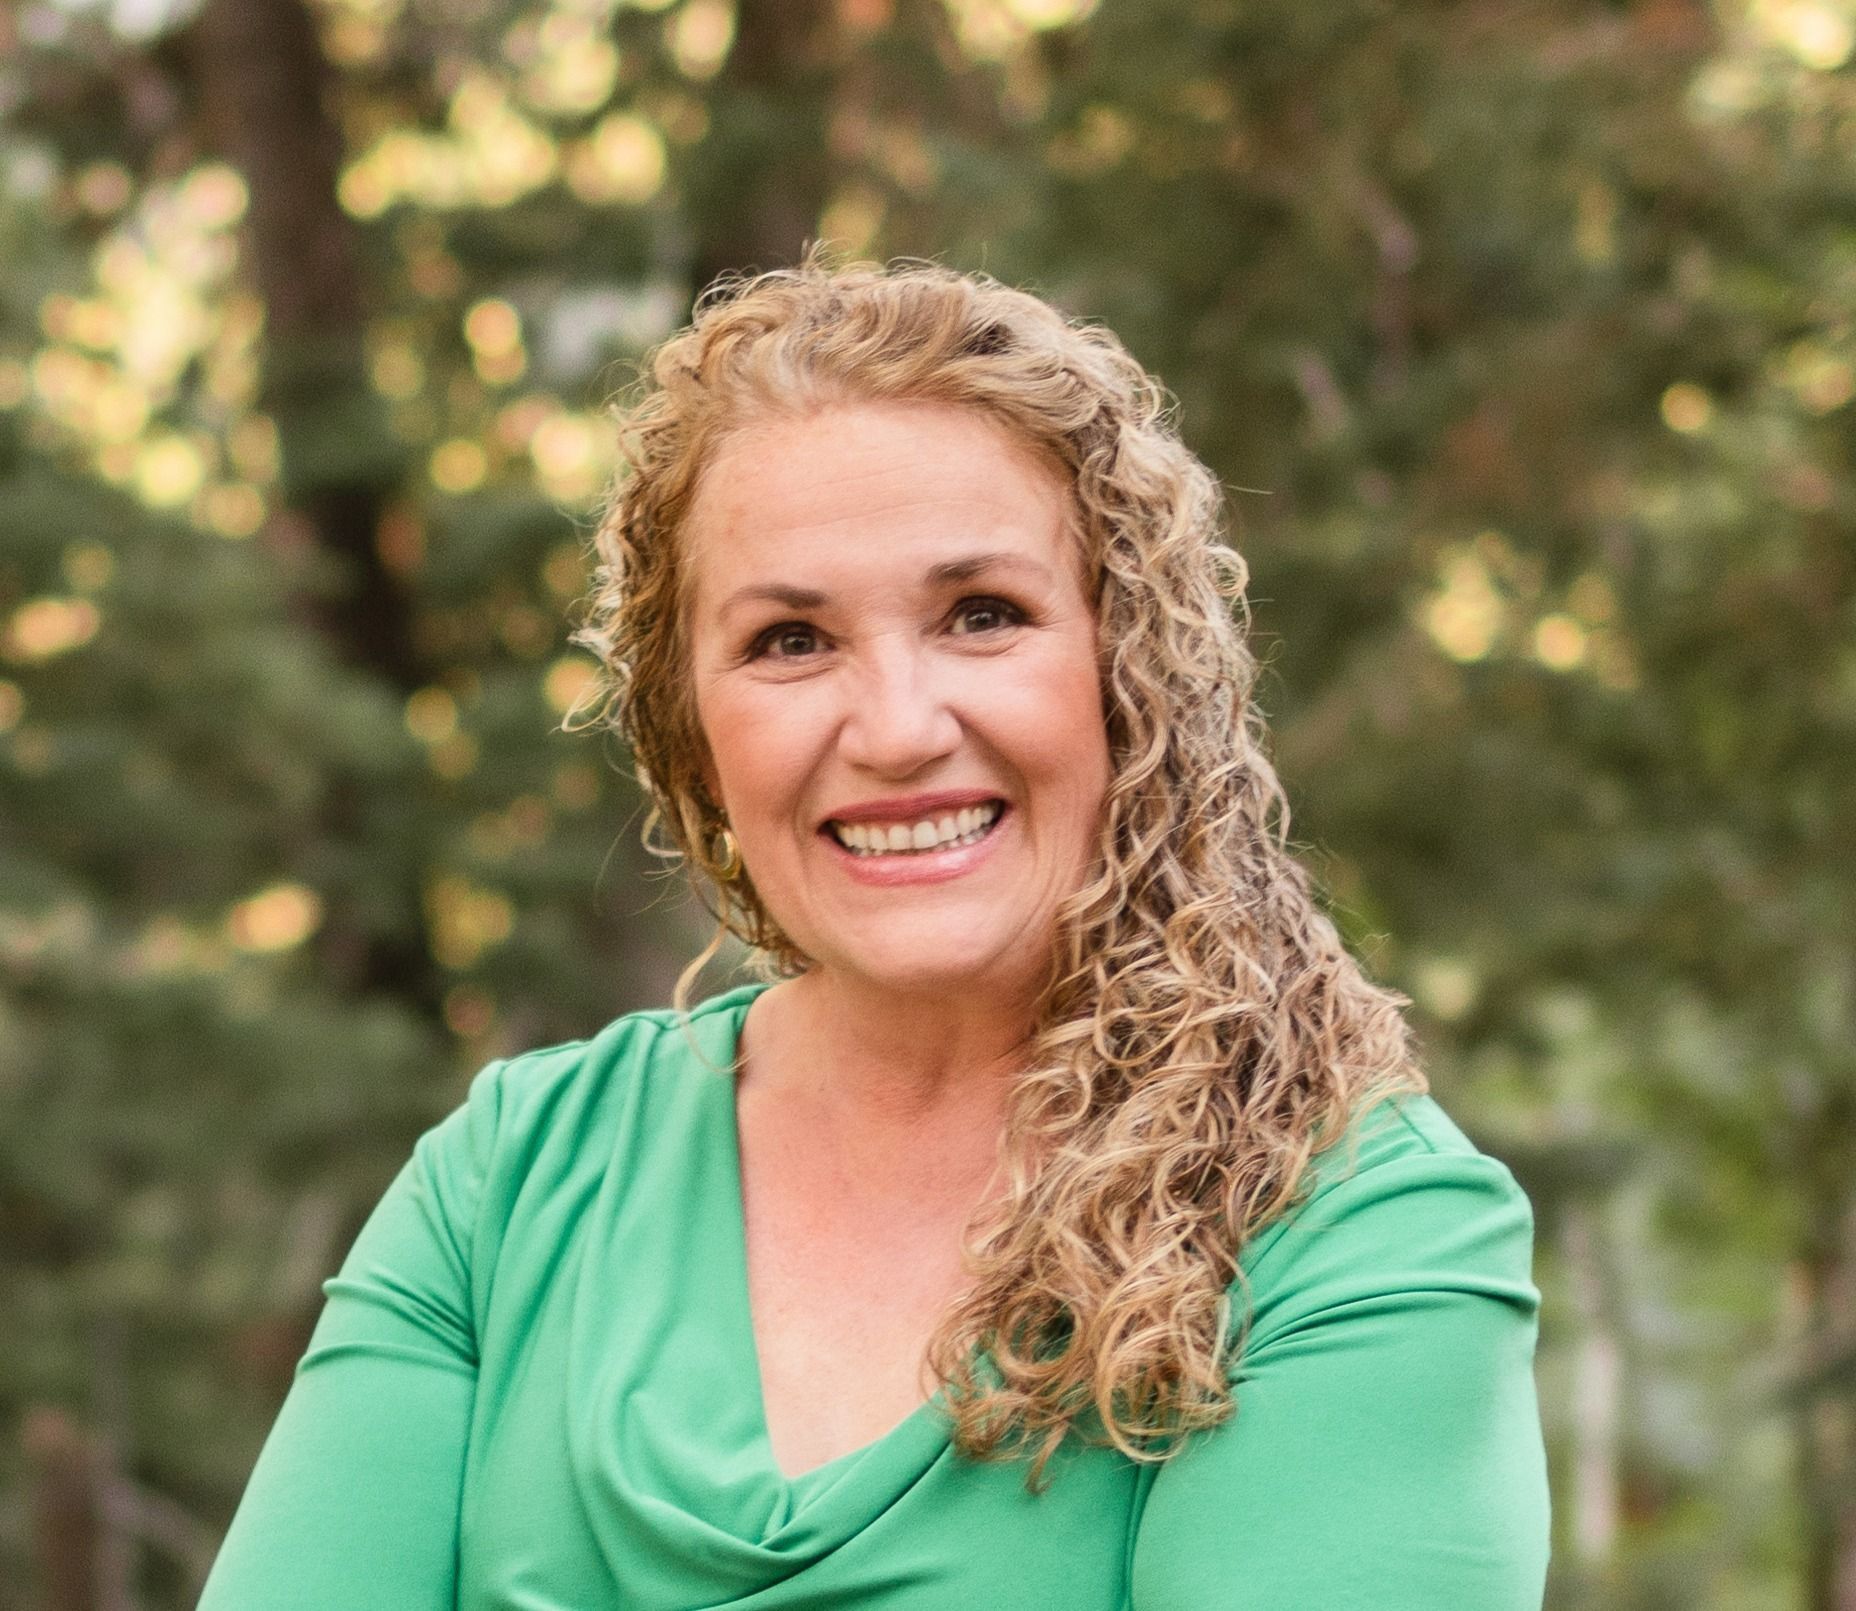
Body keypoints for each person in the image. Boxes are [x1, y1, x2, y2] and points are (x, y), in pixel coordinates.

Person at [197, 258, 1551, 1609]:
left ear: (1128, 670)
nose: (898, 728)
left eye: (983, 617)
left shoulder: (1350, 1232)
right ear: (690, 728)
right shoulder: (513, 1188)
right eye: (791, 640)